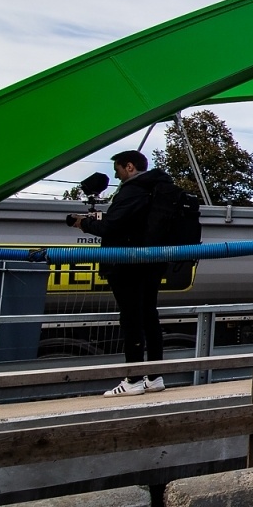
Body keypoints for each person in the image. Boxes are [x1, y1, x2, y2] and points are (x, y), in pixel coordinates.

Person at [69, 149, 172, 395]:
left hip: (127, 264)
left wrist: (83, 223)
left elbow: (112, 227)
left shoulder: (133, 190)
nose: (116, 177)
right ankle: (155, 377)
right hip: (153, 261)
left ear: (129, 166)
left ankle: (133, 380)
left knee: (131, 319)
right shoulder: (157, 188)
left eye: (117, 170)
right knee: (149, 316)